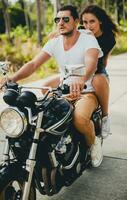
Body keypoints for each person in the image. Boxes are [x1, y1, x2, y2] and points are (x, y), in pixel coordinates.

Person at [0, 5, 103, 167]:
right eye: (58, 19)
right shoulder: (55, 42)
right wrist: (12, 78)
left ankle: (94, 144)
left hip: (86, 92)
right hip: (62, 91)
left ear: (76, 22)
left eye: (65, 19)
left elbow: (91, 64)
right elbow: (34, 64)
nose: (60, 22)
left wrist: (82, 79)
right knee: (39, 120)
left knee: (80, 119)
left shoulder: (88, 39)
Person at [43, 5, 118, 139]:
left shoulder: (109, 38)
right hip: (78, 72)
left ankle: (105, 117)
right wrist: (58, 33)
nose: (88, 25)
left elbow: (104, 60)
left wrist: (102, 73)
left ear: (100, 21)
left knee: (98, 80)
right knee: (46, 86)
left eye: (92, 21)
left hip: (97, 71)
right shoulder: (83, 32)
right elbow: (70, 32)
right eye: (85, 22)